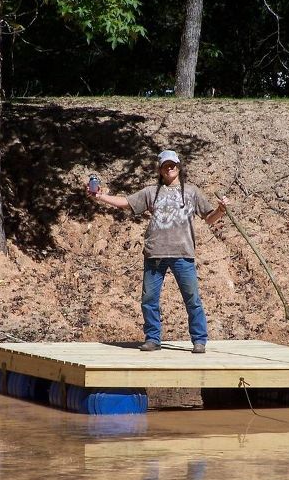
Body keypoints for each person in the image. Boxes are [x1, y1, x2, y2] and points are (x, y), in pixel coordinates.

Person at [87, 150, 229, 353]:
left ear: (178, 167)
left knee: (192, 299)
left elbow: (209, 217)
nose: (169, 168)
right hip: (155, 253)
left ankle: (199, 340)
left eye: (173, 165)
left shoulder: (191, 191)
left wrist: (221, 210)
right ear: (160, 169)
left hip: (183, 253)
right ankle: (153, 338)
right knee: (149, 299)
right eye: (165, 165)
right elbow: (126, 202)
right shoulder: (150, 192)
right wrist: (100, 196)